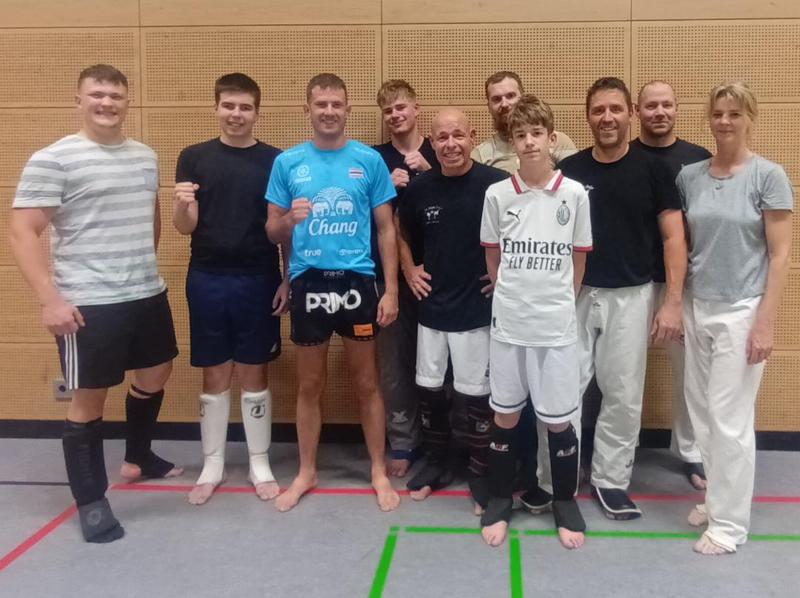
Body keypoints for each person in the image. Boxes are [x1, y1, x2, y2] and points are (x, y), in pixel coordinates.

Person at [10, 64, 181, 543]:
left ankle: (138, 456)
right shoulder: (54, 159)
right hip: (89, 302)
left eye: (115, 95)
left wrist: (143, 264)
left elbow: (150, 217)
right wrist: (50, 300)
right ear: (79, 100)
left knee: (157, 372)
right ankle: (91, 501)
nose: (107, 103)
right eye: (97, 95)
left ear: (127, 101)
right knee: (90, 397)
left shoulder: (144, 156)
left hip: (145, 292)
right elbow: (23, 232)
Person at [266, 73, 400, 512]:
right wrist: (288, 222)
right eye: (321, 104)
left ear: (347, 109)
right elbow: (272, 231)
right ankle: (306, 471)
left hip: (357, 284)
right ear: (307, 109)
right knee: (310, 384)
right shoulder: (288, 163)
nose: (329, 111)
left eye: (336, 104)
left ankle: (378, 470)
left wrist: (391, 290)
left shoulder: (368, 160)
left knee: (367, 382)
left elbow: (386, 229)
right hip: (309, 284)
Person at [558, 77, 686, 520]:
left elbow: (673, 238)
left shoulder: (653, 169)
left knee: (623, 393)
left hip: (632, 296)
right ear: (587, 116)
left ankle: (610, 480)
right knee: (562, 389)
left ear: (630, 113)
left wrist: (672, 301)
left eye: (615, 109)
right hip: (574, 295)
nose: (607, 118)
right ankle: (557, 476)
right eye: (598, 110)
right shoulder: (570, 170)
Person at [679, 82, 793, 554]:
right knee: (703, 417)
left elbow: (780, 256)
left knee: (730, 420)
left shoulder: (768, 176)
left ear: (750, 118)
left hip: (742, 310)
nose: (724, 121)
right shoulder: (690, 177)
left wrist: (765, 322)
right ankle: (716, 500)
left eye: (734, 113)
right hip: (697, 305)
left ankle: (729, 526)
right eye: (718, 113)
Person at [479, 95, 592, 549]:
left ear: (551, 138)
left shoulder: (575, 194)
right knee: (505, 415)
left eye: (536, 133)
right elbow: (493, 257)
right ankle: (499, 500)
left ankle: (564, 502)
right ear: (512, 140)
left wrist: (560, 302)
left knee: (559, 422)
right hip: (509, 324)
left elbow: (579, 260)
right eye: (520, 134)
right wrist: (511, 296)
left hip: (556, 327)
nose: (528, 142)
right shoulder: (497, 194)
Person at [173, 73, 289, 505]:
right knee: (215, 373)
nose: (236, 114)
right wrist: (182, 206)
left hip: (258, 277)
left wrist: (287, 277)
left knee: (254, 370)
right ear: (216, 107)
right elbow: (185, 226)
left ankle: (259, 462)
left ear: (257, 112)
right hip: (207, 277)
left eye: (245, 107)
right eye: (228, 106)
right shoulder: (193, 157)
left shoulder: (275, 161)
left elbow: (282, 227)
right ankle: (213, 464)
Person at [398, 108, 507, 508]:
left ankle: (479, 472)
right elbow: (400, 232)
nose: (450, 144)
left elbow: (519, 233)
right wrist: (409, 269)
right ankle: (436, 463)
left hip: (476, 311)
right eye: (442, 138)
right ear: (432, 142)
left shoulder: (496, 186)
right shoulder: (420, 189)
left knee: (477, 398)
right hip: (432, 309)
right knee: (429, 392)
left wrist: (503, 274)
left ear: (472, 136)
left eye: (458, 135)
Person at [632, 80, 712, 491]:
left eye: (666, 105)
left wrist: (677, 296)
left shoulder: (699, 161)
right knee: (620, 373)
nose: (659, 112)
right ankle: (615, 449)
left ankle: (692, 451)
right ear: (637, 111)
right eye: (651, 106)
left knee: (690, 374)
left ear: (677, 108)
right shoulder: (625, 155)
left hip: (682, 284)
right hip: (632, 282)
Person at [372, 79, 439, 477]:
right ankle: (403, 441)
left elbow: (458, 197)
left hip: (438, 274)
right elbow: (369, 220)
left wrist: (429, 172)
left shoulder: (439, 149)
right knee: (395, 362)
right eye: (388, 110)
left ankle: (446, 440)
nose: (396, 115)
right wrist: (385, 188)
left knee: (442, 362)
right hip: (390, 276)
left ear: (416, 109)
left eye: (401, 107)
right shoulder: (375, 159)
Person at [471, 70, 578, 170]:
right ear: (489, 106)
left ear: (523, 98)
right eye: (497, 99)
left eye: (510, 96)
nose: (504, 104)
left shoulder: (558, 141)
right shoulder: (480, 155)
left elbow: (574, 177)